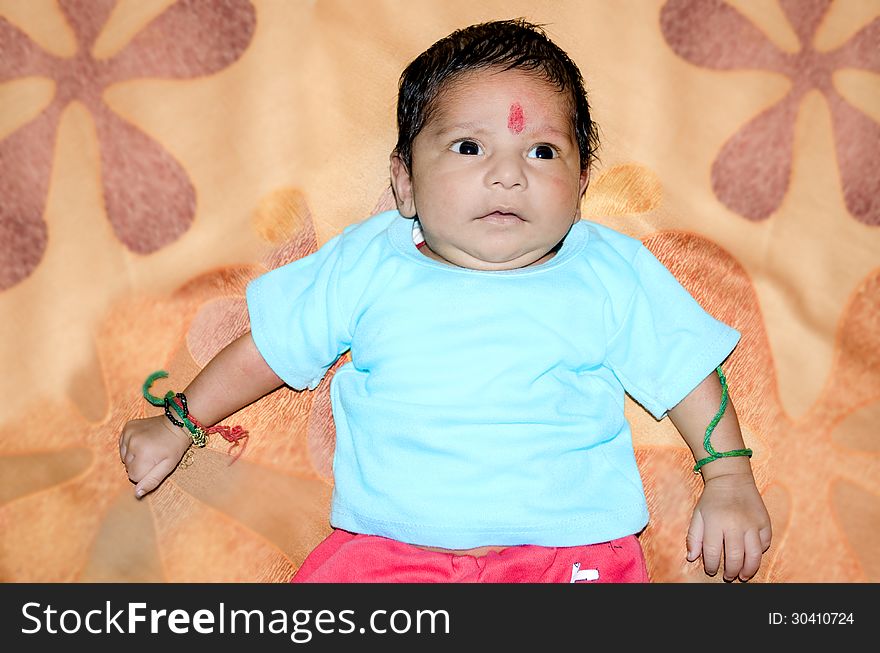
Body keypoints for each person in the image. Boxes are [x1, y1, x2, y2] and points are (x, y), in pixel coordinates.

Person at [120, 19, 771, 583]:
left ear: (580, 185)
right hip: (385, 554)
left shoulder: (606, 269)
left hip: (570, 557)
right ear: (403, 182)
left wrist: (728, 477)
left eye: (542, 151)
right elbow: (269, 346)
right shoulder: (370, 260)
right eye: (469, 147)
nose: (507, 172)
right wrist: (180, 421)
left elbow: (687, 369)